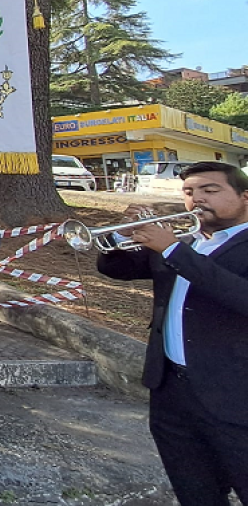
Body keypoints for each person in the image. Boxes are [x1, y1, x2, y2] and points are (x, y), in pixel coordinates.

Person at [97, 161, 248, 506]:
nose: (197, 200)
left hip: (236, 395)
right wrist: (121, 235)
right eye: (189, 193)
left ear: (245, 197)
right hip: (172, 393)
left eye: (210, 190)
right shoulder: (188, 242)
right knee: (195, 491)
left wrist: (172, 249)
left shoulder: (180, 247)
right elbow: (114, 268)